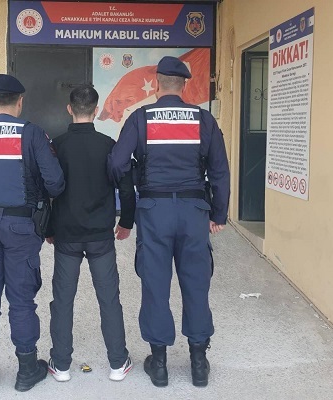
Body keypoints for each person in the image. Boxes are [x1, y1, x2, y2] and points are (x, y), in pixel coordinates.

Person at [108, 56, 230, 388]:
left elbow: (117, 163)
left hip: (154, 212)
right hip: (193, 211)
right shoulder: (203, 119)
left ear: (158, 84)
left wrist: (133, 181)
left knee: (155, 285)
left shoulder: (141, 118)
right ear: (184, 85)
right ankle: (199, 364)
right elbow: (219, 171)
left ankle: (159, 364)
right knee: (196, 284)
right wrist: (218, 214)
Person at [0, 74, 65, 394]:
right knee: (21, 299)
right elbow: (55, 183)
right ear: (20, 102)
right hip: (21, 226)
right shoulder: (31, 133)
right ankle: (26, 371)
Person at [45, 85, 136, 383]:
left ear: (69, 109)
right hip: (100, 236)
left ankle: (61, 365)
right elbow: (126, 186)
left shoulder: (57, 146)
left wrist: (48, 228)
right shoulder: (109, 145)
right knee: (109, 298)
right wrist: (127, 222)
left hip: (66, 235)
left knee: (63, 300)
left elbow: (46, 189)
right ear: (96, 111)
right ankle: (118, 363)